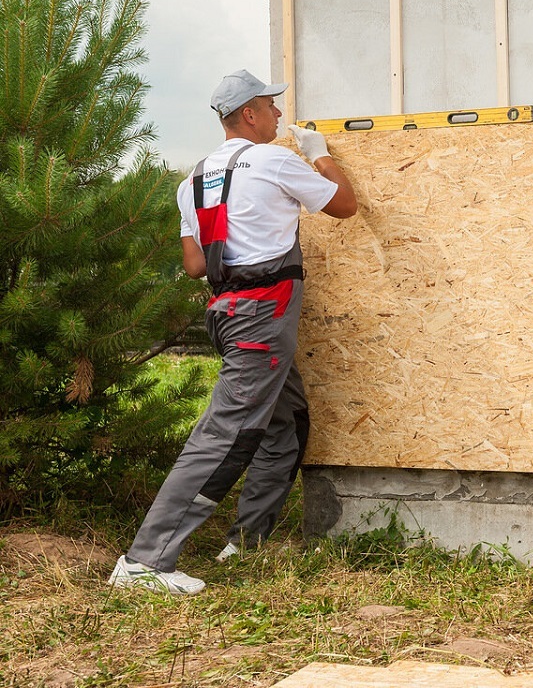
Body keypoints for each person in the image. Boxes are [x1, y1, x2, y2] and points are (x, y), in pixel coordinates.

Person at [108, 70, 357, 594]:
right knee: (225, 435)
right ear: (249, 113)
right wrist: (319, 153)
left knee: (285, 423)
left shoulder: (192, 180)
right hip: (262, 321)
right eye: (271, 107)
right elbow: (344, 204)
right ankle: (144, 562)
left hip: (227, 315)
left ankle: (248, 540)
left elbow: (196, 265)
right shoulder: (273, 159)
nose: (278, 116)